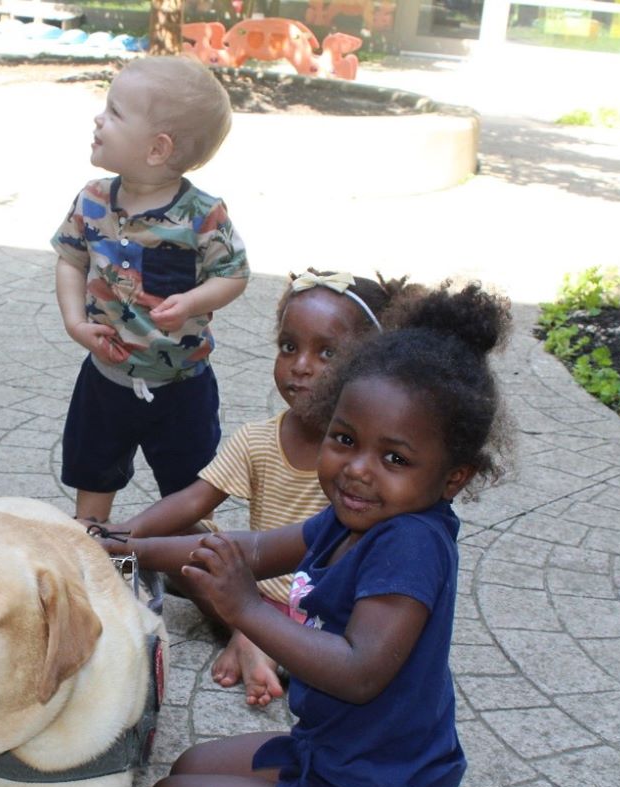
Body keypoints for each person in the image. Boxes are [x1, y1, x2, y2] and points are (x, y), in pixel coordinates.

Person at [133, 282, 513, 787]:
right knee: (189, 769)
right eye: (345, 440)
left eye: (394, 457)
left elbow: (360, 671)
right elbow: (250, 551)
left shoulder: (410, 544)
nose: (358, 469)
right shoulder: (353, 514)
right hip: (333, 754)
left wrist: (245, 609)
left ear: (453, 478)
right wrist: (126, 547)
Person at [96, 271, 411, 708]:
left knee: (200, 558)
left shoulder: (361, 461)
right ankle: (251, 636)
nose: (301, 365)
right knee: (193, 538)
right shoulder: (258, 438)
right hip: (256, 589)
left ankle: (251, 637)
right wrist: (116, 536)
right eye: (288, 347)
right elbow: (192, 500)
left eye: (327, 352)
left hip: (325, 615)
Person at [52, 56, 250, 524]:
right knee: (94, 482)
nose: (99, 119)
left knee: (186, 498)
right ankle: (102, 566)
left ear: (158, 149)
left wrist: (195, 301)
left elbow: (234, 274)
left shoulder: (201, 215)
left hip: (182, 388)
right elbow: (70, 258)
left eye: (116, 112)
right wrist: (75, 323)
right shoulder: (93, 199)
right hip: (106, 379)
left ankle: (184, 568)